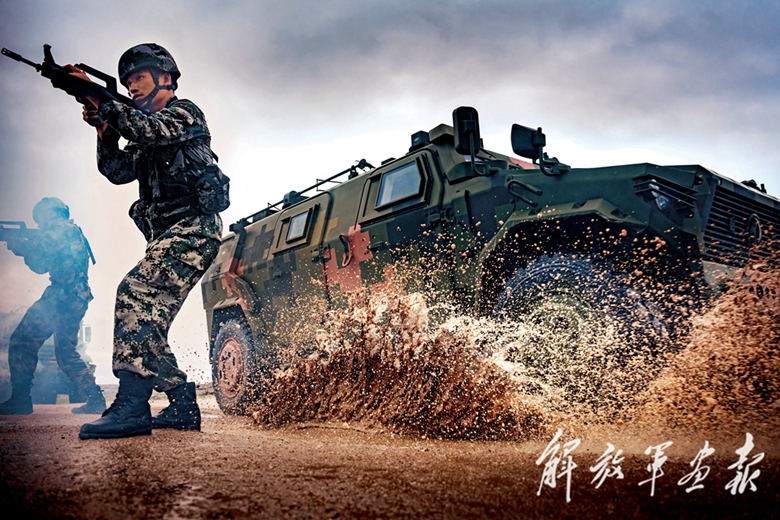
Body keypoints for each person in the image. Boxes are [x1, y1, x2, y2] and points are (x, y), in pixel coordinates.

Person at [68, 43, 226, 439]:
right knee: (147, 322)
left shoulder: (184, 114)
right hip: (166, 237)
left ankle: (133, 406)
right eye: (126, 82)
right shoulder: (142, 131)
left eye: (138, 77)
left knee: (133, 293)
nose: (131, 86)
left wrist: (100, 98)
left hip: (195, 229)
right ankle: (182, 404)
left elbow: (146, 130)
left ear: (165, 77)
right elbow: (117, 170)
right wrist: (104, 131)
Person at [0, 198, 106, 416]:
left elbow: (37, 251)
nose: (40, 225)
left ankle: (20, 399)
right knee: (67, 354)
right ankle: (96, 399)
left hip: (62, 295)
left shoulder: (61, 229)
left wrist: (16, 242)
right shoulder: (71, 231)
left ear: (48, 213)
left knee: (21, 341)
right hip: (76, 296)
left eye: (40, 220)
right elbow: (40, 265)